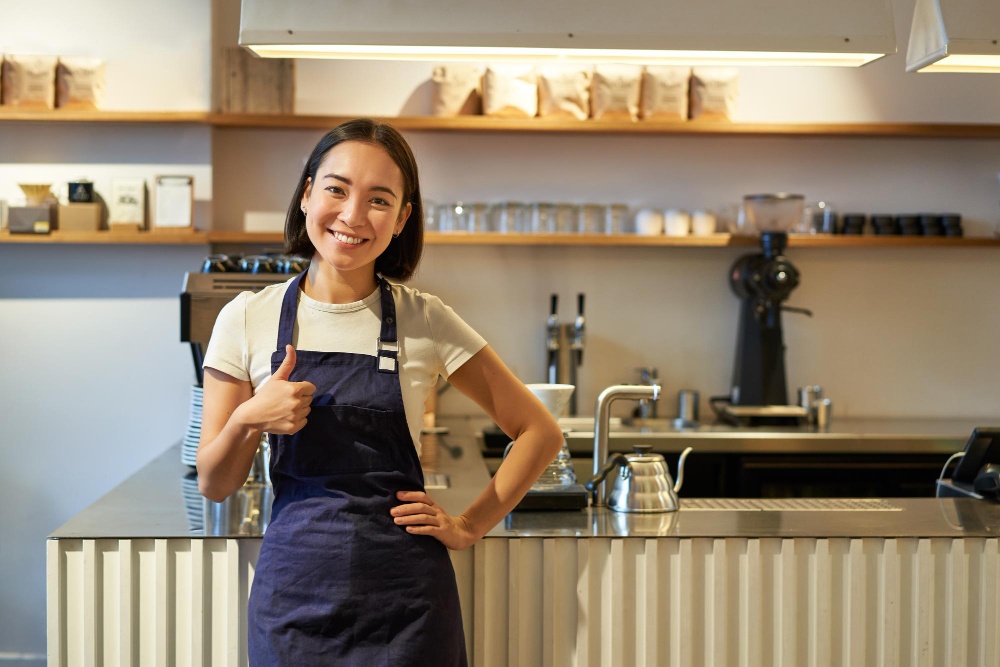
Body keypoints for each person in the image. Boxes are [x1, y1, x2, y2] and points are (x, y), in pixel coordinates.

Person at [196, 118, 564, 666]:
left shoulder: (426, 318)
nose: (351, 215)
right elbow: (216, 483)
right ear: (306, 195)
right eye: (336, 189)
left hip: (408, 605)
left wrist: (468, 526)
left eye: (378, 200)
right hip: (293, 599)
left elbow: (539, 432)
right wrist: (250, 418)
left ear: (402, 218)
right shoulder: (247, 317)